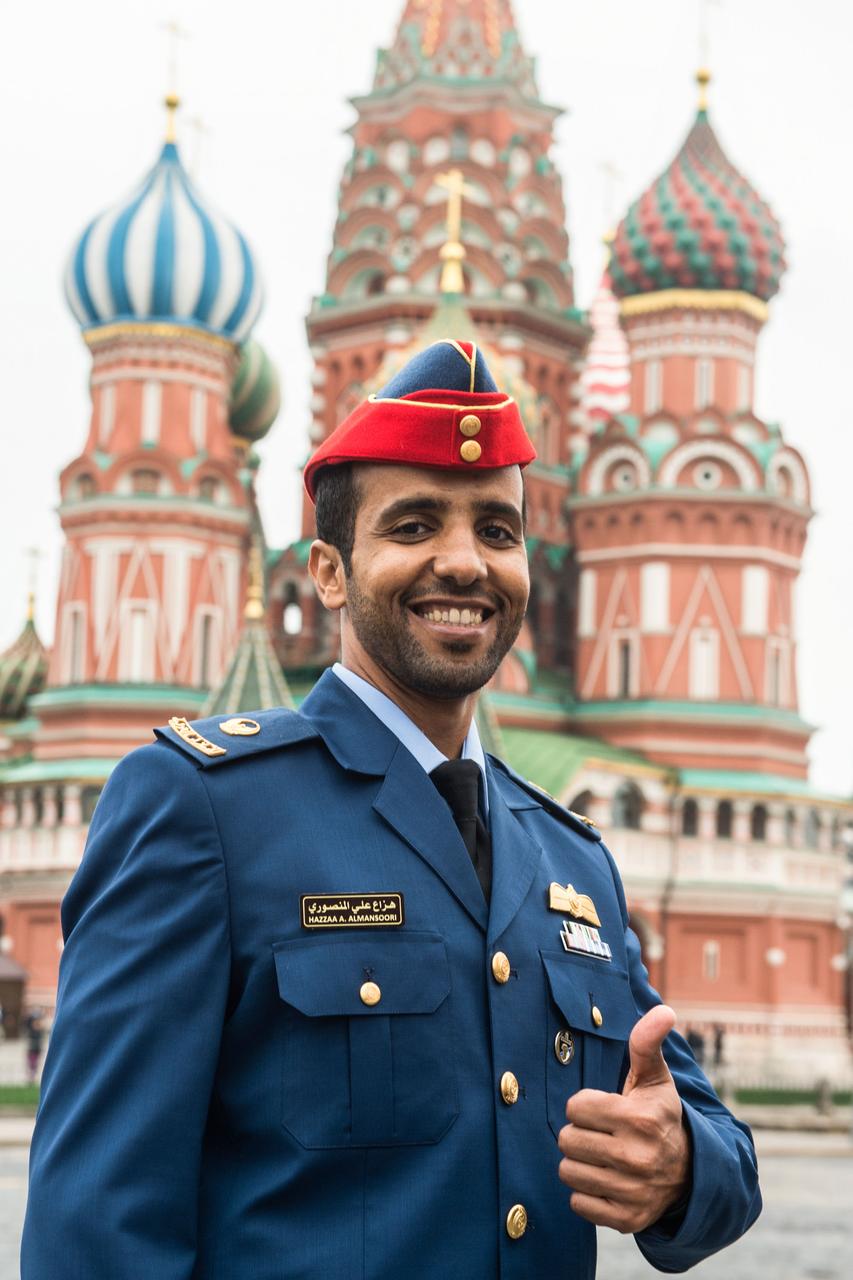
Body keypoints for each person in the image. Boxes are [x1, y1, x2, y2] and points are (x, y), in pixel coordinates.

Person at [22, 341, 761, 1278]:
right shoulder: (204, 809)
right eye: (414, 526)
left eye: (497, 531)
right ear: (328, 572)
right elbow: (96, 1226)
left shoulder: (570, 859)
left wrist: (680, 1168)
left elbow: (717, 1153)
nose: (464, 562)